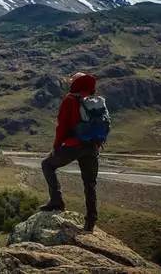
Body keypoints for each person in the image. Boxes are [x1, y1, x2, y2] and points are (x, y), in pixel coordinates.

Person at [40, 72, 101, 232]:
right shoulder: (95, 100)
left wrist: (56, 146)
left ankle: (56, 201)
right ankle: (90, 222)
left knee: (47, 165)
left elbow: (62, 126)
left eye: (72, 81)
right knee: (90, 184)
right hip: (92, 146)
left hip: (74, 145)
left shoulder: (70, 99)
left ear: (75, 83)